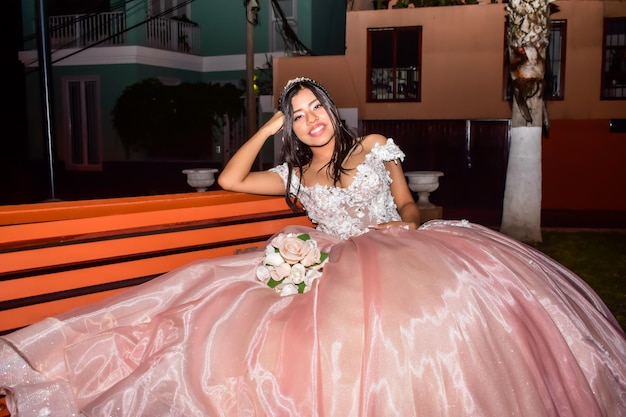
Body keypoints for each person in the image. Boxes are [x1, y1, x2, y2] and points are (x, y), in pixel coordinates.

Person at [1, 78, 625, 417]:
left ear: (332, 109)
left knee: (433, 320)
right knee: (232, 315)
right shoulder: (295, 175)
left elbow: (407, 201)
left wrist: (406, 223)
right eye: (296, 114)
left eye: (313, 107)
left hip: (399, 251)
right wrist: (267, 127)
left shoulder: (375, 146)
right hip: (329, 260)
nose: (309, 119)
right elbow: (229, 180)